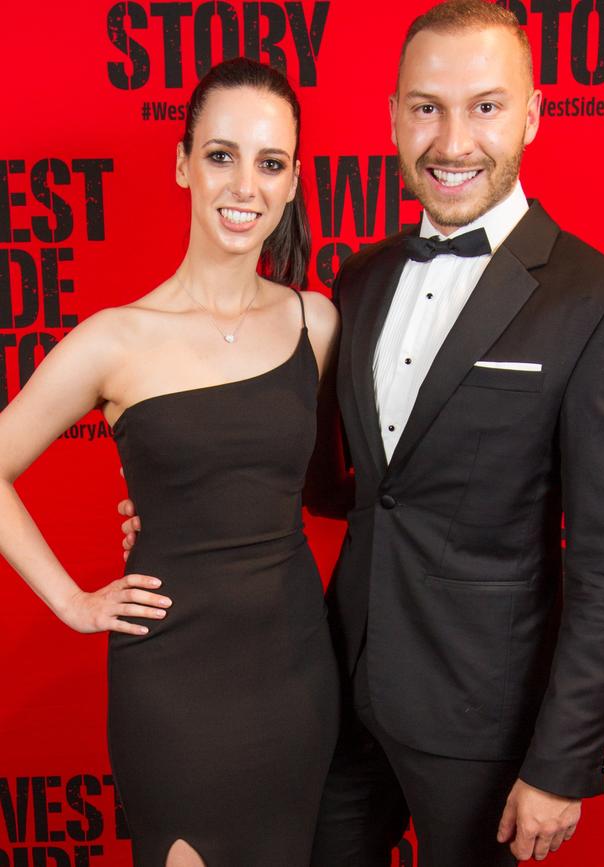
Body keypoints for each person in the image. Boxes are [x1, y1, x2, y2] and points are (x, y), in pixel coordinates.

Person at [118, 3, 604, 866]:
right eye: (426, 107)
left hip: (484, 725)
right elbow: (339, 477)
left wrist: (561, 763)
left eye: (484, 106)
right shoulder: (359, 281)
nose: (452, 140)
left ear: (533, 114)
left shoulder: (602, 304)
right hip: (333, 692)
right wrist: (194, 506)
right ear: (395, 117)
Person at [0, 57, 346, 867]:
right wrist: (72, 601)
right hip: (174, 681)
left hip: (296, 670)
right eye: (221, 155)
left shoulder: (319, 324)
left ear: (293, 181)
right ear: (183, 161)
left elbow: (348, 485)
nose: (244, 185)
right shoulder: (116, 339)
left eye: (270, 163)